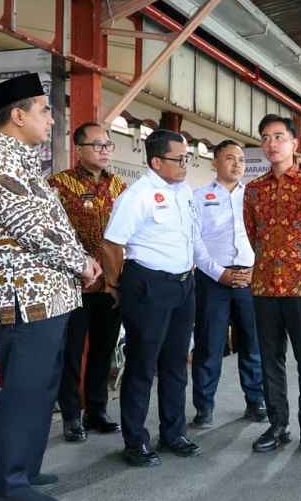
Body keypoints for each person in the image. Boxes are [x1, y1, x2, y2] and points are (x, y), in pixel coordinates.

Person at [0, 73, 101, 501]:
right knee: (23, 391)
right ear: (18, 115)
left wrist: (80, 259)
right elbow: (35, 229)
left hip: (47, 295)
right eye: (44, 110)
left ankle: (23, 467)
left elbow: (51, 226)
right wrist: (81, 262)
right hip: (23, 299)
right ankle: (4, 488)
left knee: (40, 388)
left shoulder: (24, 162)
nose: (52, 117)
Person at [102, 129, 213, 467]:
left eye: (187, 158)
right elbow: (111, 244)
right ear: (156, 161)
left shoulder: (183, 193)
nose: (185, 165)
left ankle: (173, 433)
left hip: (183, 285)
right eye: (180, 159)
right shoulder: (138, 195)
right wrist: (114, 285)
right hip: (148, 286)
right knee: (142, 365)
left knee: (176, 363)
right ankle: (135, 442)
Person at [243, 115, 301, 454]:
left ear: (295, 143)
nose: (271, 144)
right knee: (270, 359)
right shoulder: (253, 191)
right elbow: (255, 235)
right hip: (265, 287)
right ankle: (277, 425)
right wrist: (274, 262)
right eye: (265, 137)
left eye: (278, 136)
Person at [48, 122, 126, 442]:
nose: (104, 150)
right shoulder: (59, 184)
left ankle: (96, 410)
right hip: (73, 284)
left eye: (108, 145)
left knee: (103, 350)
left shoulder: (119, 186)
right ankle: (70, 415)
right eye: (97, 145)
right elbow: (51, 234)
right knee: (71, 352)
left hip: (110, 284)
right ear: (78, 149)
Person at [190, 140, 265, 428]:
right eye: (230, 158)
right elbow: (195, 241)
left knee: (253, 344)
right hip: (213, 281)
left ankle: (255, 402)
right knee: (210, 345)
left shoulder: (255, 197)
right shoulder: (199, 197)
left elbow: (265, 239)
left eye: (242, 160)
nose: (237, 164)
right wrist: (218, 272)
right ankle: (204, 407)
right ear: (215, 162)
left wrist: (255, 270)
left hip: (250, 280)